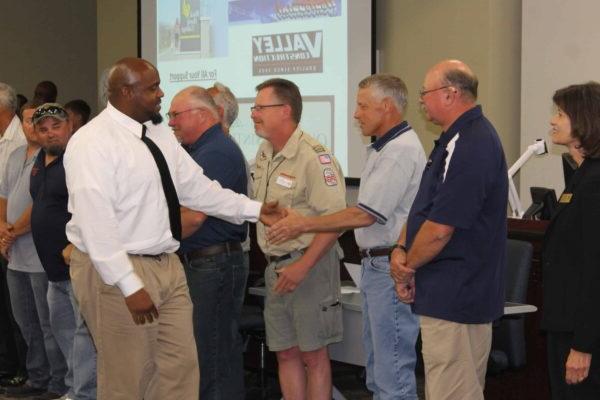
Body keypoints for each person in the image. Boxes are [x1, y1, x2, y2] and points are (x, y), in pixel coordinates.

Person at [63, 57, 282, 400]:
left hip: (168, 264)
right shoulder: (93, 142)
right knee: (129, 379)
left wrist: (255, 210)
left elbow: (197, 188)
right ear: (125, 91)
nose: (161, 94)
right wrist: (127, 283)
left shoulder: (159, 133)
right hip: (118, 268)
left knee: (180, 370)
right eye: (153, 88)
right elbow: (96, 221)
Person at [267, 73, 426, 399]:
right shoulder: (385, 148)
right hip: (376, 267)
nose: (356, 114)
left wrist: (304, 224)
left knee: (391, 374)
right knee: (379, 371)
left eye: (363, 106)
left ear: (386, 107)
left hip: (389, 268)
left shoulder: (399, 151)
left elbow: (364, 213)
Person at [390, 59, 508, 400]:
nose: (421, 101)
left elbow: (441, 228)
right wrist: (401, 251)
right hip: (448, 292)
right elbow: (422, 209)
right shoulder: (451, 139)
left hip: (458, 295)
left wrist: (407, 267)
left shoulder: (472, 143)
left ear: (451, 93)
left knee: (453, 393)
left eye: (425, 93)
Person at [252, 78, 346, 400]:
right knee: (286, 352)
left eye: (260, 107)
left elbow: (336, 222)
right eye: (254, 107)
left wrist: (303, 266)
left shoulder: (314, 157)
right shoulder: (265, 153)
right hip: (275, 268)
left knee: (313, 356)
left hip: (310, 267)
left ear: (285, 110)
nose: (253, 114)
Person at [167, 86, 249, 400]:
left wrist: (154, 238)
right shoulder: (200, 149)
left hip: (212, 264)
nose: (171, 122)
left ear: (202, 115)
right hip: (203, 263)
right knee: (207, 354)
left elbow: (195, 217)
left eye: (176, 115)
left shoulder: (214, 151)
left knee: (211, 355)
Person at [0, 101, 68, 399]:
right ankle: (37, 376)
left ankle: (57, 383)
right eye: (33, 123)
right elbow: (4, 196)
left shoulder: (56, 159)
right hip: (14, 253)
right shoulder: (18, 156)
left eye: (36, 123)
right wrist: (3, 228)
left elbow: (39, 204)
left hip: (41, 254)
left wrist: (11, 233)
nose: (35, 128)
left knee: (50, 324)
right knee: (24, 321)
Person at [29, 103, 97, 400]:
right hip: (52, 269)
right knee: (64, 334)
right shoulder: (38, 161)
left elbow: (92, 207)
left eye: (56, 126)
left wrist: (75, 243)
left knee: (84, 338)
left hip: (77, 265)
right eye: (43, 129)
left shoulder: (78, 160)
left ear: (70, 126)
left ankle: (87, 394)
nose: (50, 133)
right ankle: (74, 389)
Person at [542, 82, 600, 399]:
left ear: (583, 119)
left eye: (561, 113)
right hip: (565, 324)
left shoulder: (595, 182)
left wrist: (583, 345)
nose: (553, 120)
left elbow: (595, 270)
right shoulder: (584, 174)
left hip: (582, 335)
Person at [0, 82, 27, 390]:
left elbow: (22, 197)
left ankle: (21, 368)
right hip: (5, 234)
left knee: (17, 311)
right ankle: (9, 365)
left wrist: (7, 232)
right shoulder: (4, 139)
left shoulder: (19, 140)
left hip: (16, 239)